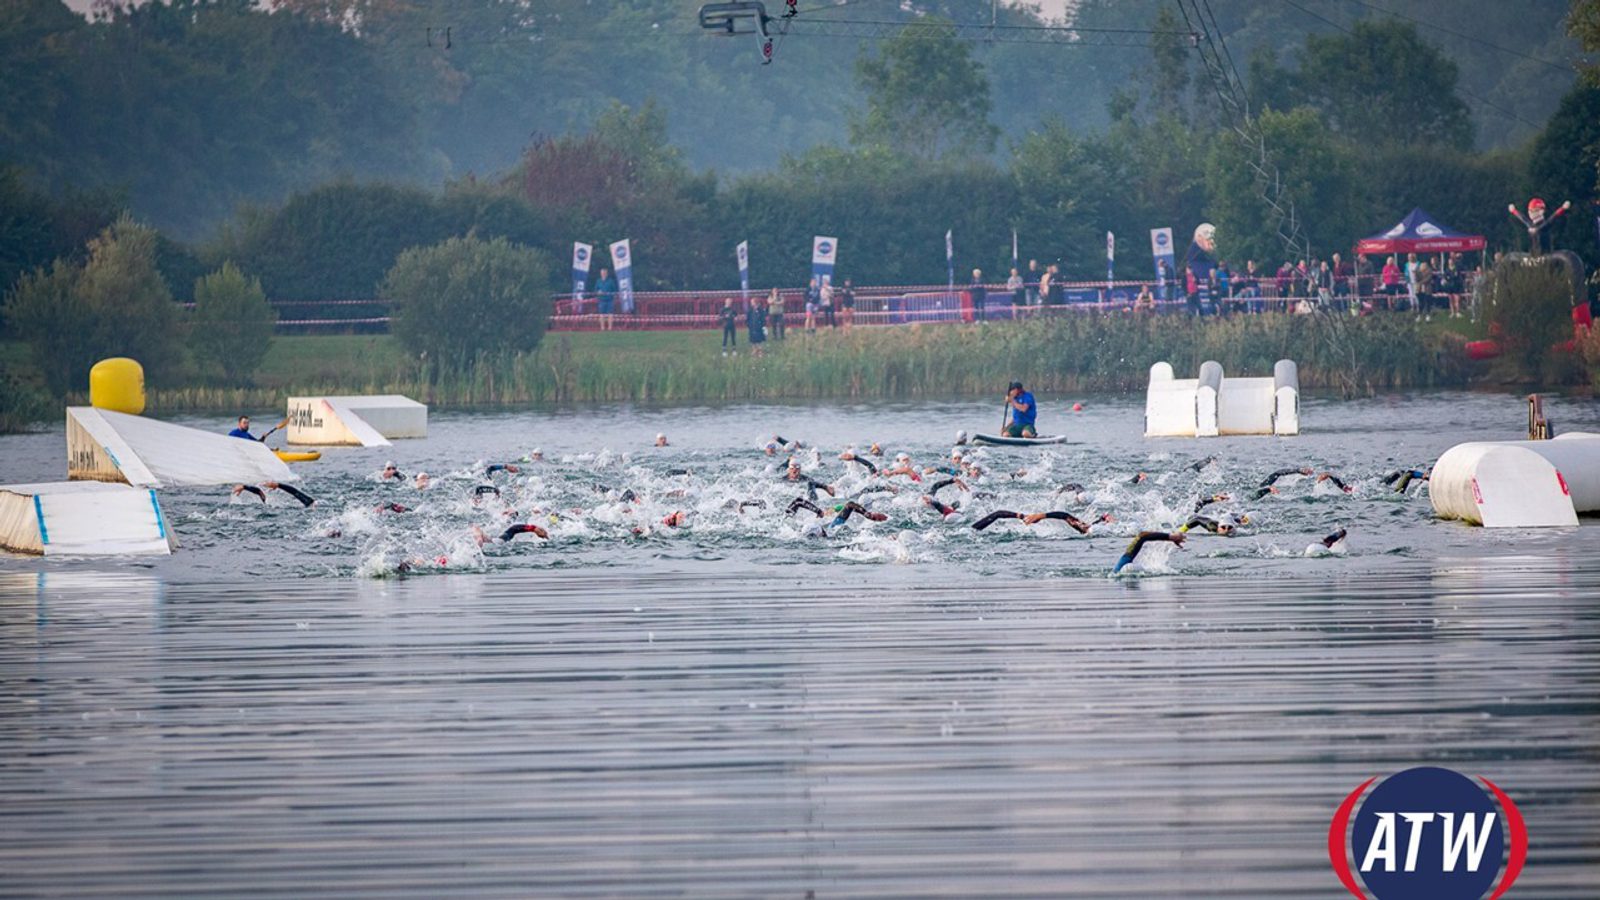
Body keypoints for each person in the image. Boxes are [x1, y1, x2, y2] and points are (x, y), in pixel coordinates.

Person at [1113, 531, 1185, 574]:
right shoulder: (1121, 568)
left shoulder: (1119, 568)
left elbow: (1142, 536)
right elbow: (1142, 536)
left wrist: (1171, 537)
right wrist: (1171, 537)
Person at [595, 267, 618, 332]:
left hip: (610, 300)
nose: (603, 274)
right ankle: (602, 328)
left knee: (610, 314)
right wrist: (598, 292)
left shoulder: (611, 281)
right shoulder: (598, 281)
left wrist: (612, 295)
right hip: (601, 300)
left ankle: (610, 328)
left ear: (607, 273)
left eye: (604, 273)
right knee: (601, 314)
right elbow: (596, 290)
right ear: (600, 273)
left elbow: (614, 290)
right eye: (602, 273)